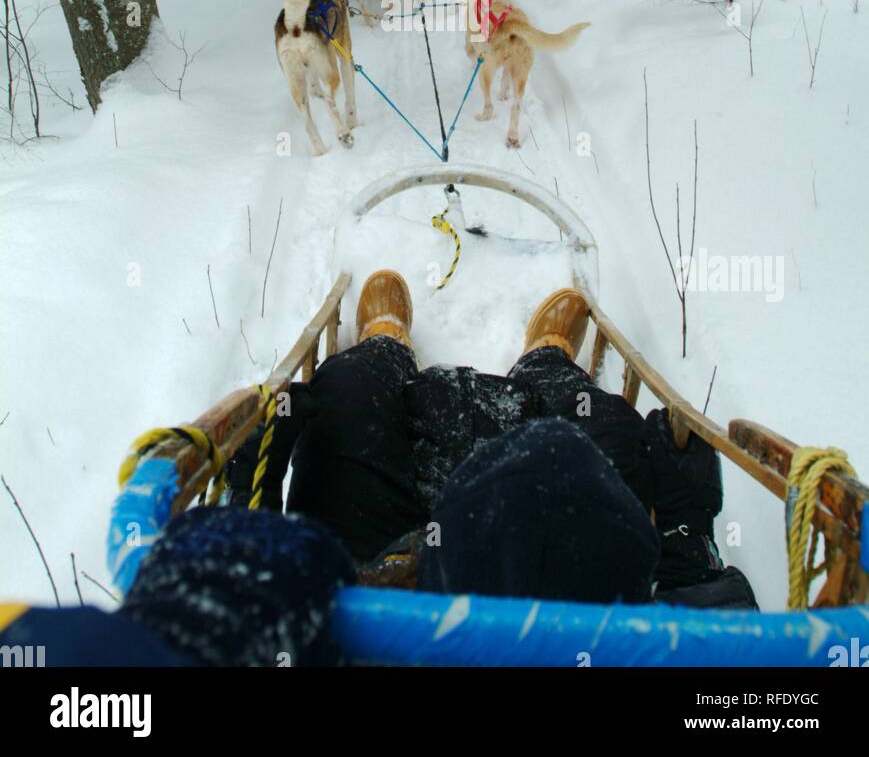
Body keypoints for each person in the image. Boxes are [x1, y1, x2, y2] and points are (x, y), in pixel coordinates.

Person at [0, 273, 754, 668]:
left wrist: (182, 643)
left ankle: (381, 344)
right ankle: (549, 363)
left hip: (377, 582)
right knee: (595, 439)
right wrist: (686, 541)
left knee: (346, 401)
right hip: (592, 609)